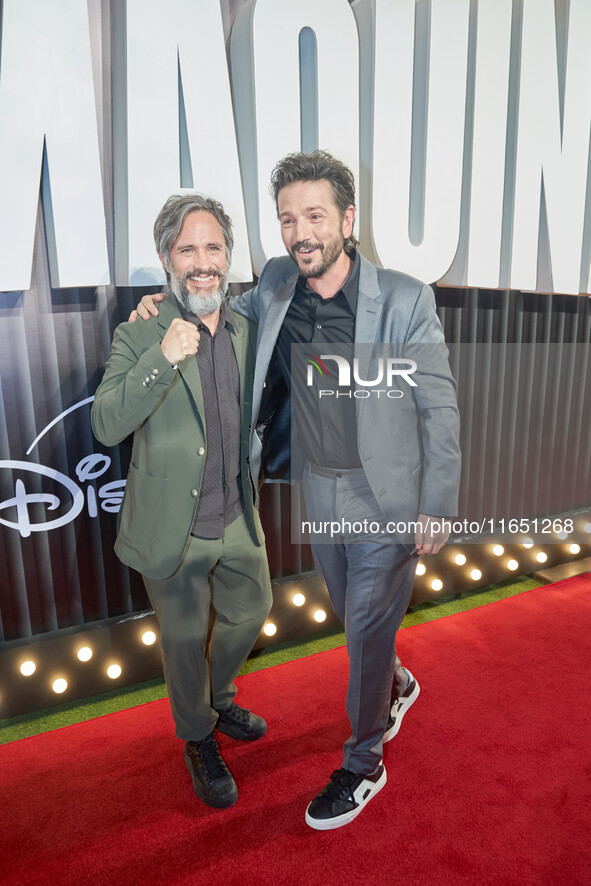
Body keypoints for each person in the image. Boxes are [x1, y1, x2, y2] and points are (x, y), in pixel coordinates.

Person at [132, 151, 461, 830]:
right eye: (287, 218)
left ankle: (363, 762)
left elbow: (438, 405)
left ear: (346, 218)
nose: (299, 231)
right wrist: (163, 303)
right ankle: (394, 681)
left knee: (366, 628)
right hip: (319, 488)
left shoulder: (403, 298)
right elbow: (216, 306)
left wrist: (438, 502)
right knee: (354, 616)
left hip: (387, 498)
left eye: (314, 215)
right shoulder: (279, 282)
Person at [92, 194, 272, 811]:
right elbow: (106, 424)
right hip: (174, 528)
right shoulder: (140, 329)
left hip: (238, 517)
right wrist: (160, 356)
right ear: (167, 257)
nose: (203, 262)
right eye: (187, 249)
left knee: (252, 611)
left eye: (213, 247)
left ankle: (217, 699)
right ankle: (198, 736)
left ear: (229, 256)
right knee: (182, 642)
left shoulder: (248, 325)